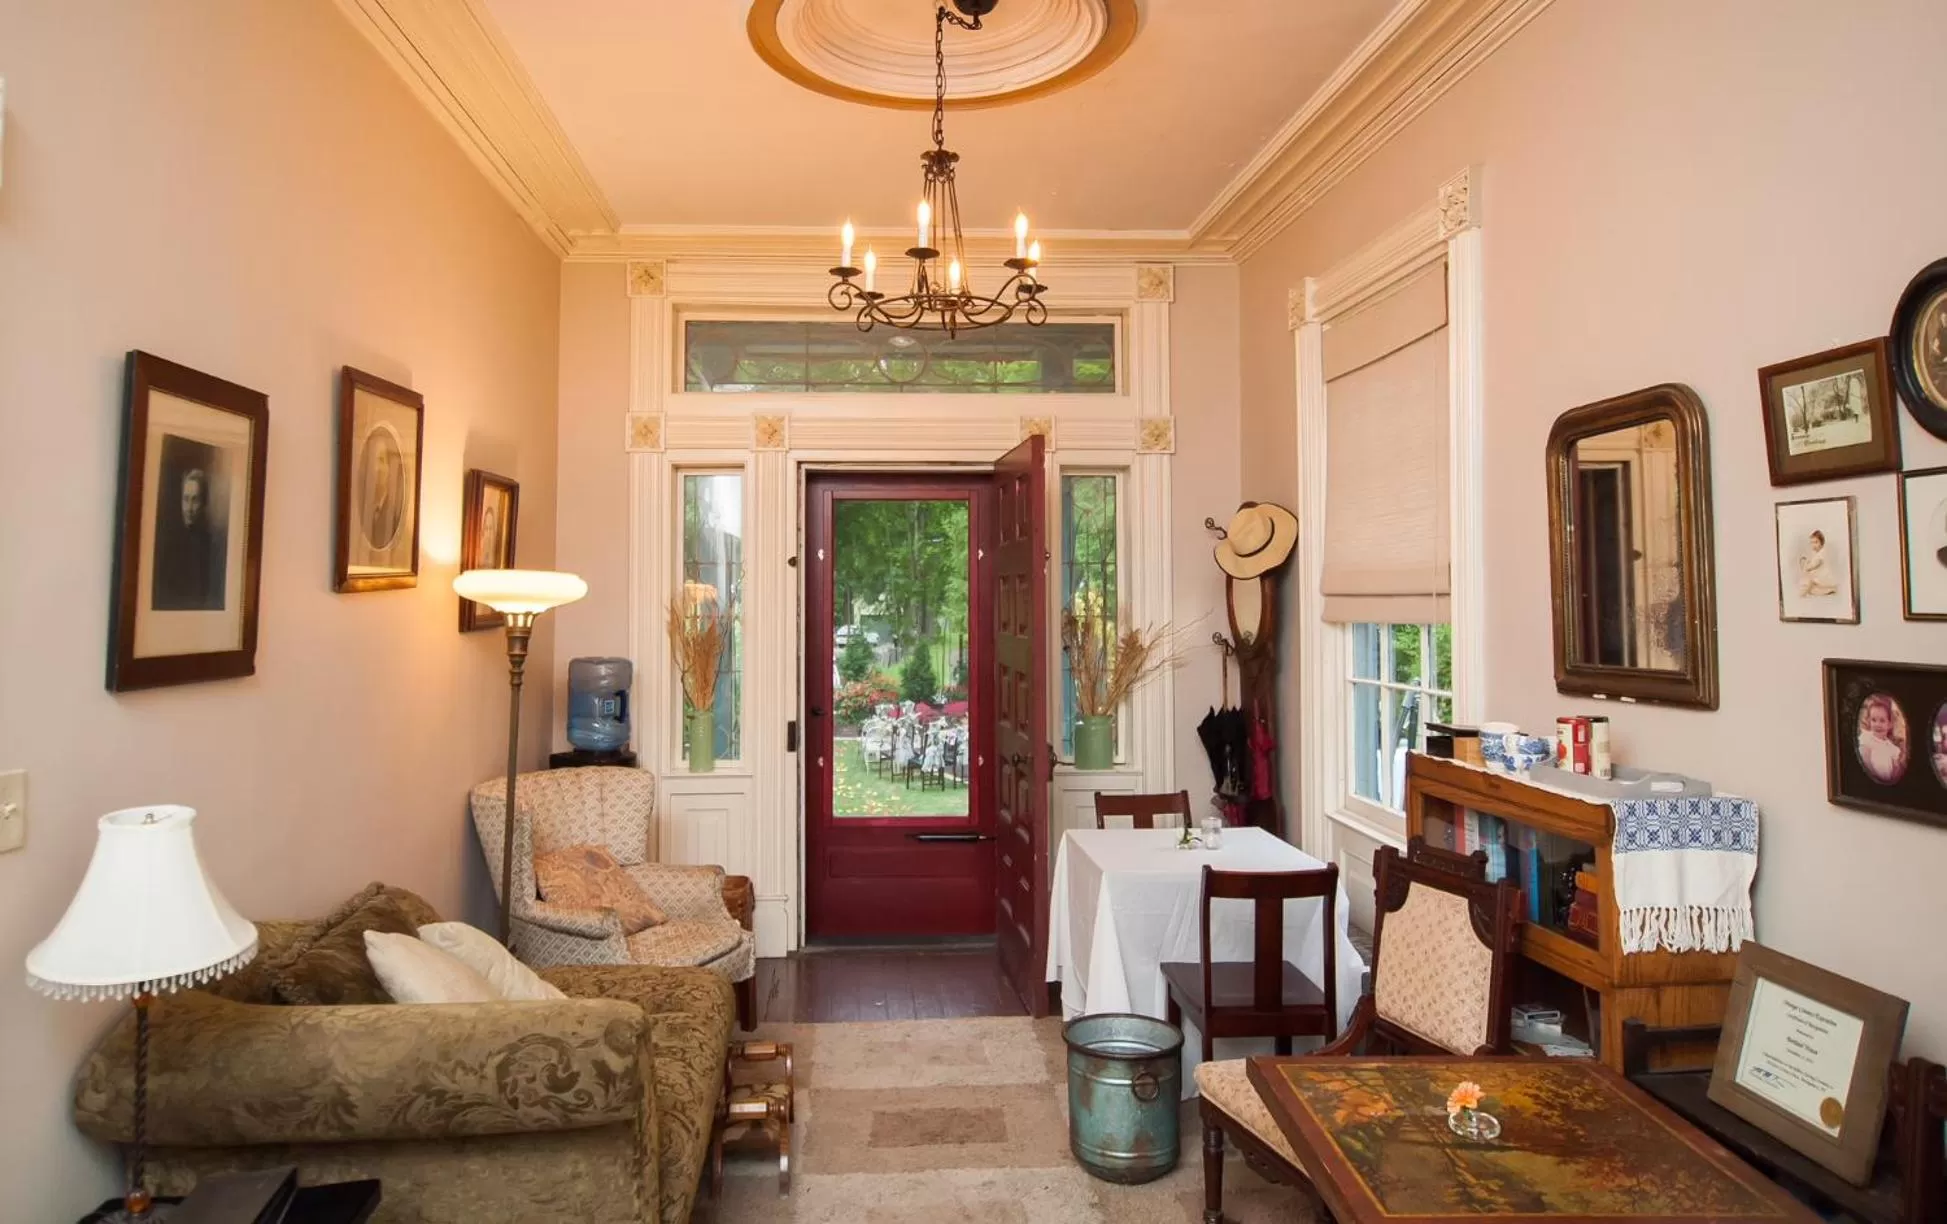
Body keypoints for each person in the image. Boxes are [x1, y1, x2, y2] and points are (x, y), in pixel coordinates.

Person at [152, 452, 226, 611]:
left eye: (195, 500)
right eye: (185, 499)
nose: (189, 508)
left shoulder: (212, 546)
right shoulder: (169, 546)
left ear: (204, 503)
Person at [1856, 694, 1907, 784]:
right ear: (1869, 721)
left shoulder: (1891, 748)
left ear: (1889, 724)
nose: (1877, 725)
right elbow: (1865, 760)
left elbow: (1895, 771)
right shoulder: (1867, 739)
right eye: (1874, 720)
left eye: (1882, 721)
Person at [1797, 529, 1839, 598]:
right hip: (1818, 577)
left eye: (1816, 542)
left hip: (1823, 577)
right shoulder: (1816, 553)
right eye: (1812, 542)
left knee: (1809, 582)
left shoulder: (1822, 553)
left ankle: (1802, 594)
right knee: (1812, 589)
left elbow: (1815, 564)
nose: (1814, 545)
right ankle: (1829, 590)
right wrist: (1807, 562)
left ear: (1822, 542)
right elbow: (1812, 562)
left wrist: (1807, 566)